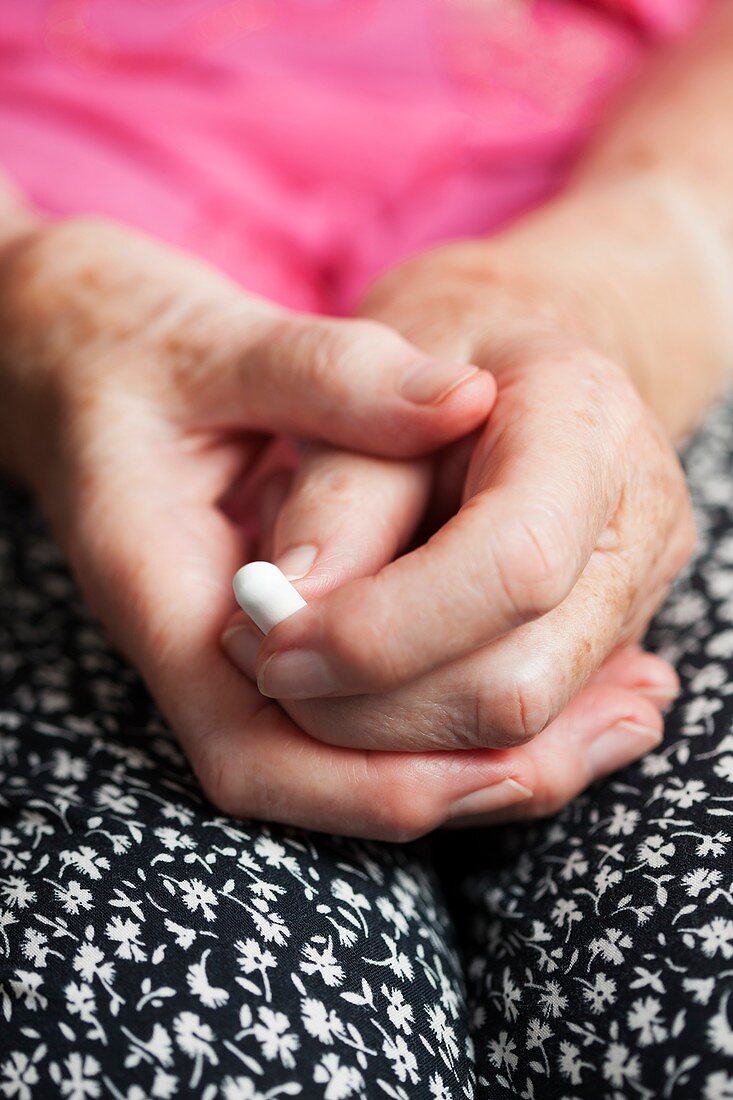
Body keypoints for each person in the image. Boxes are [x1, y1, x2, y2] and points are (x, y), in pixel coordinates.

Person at [0, 1, 731, 1096]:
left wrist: (614, 281)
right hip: (79, 433)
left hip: (634, 331)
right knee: (191, 1040)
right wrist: (36, 303)